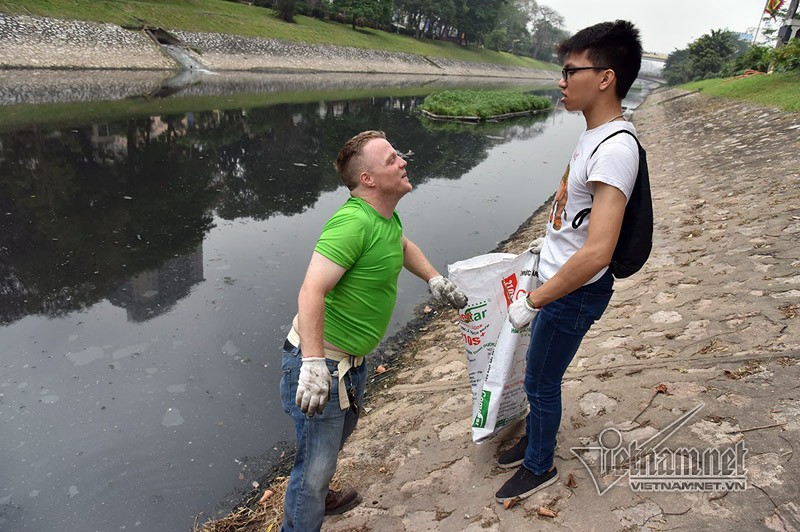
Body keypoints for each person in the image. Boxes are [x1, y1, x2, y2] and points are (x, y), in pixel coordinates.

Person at [279, 130, 468, 531]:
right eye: (391, 160)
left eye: (398, 155)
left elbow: (401, 246)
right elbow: (311, 290)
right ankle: (307, 508)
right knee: (312, 470)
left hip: (351, 364)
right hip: (319, 366)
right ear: (367, 179)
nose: (402, 162)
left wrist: (434, 279)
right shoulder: (353, 224)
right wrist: (313, 363)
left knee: (328, 445)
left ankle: (319, 491)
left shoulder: (384, 217)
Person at [495, 20, 644, 503]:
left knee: (541, 381)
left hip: (573, 291)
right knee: (541, 376)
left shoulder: (615, 148)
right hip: (558, 281)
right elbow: (574, 218)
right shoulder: (594, 134)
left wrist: (534, 300)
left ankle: (540, 466)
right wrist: (543, 251)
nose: (561, 81)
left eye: (569, 70)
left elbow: (599, 250)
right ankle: (532, 442)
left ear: (605, 78)